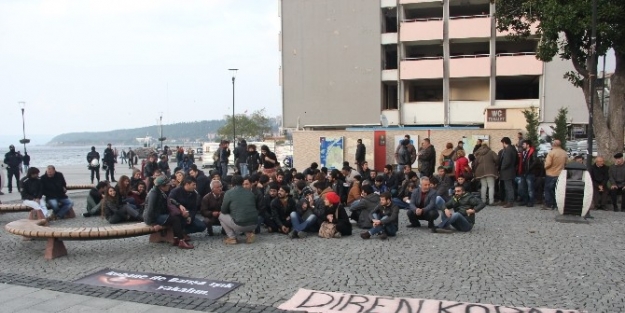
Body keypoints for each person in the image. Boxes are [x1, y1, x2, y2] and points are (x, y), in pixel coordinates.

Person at [143, 175, 194, 249]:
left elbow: (169, 200)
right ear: (162, 186)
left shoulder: (162, 191)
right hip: (152, 217)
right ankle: (181, 241)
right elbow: (150, 209)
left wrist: (179, 205)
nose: (169, 186)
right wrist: (154, 224)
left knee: (179, 217)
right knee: (175, 219)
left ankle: (177, 239)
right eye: (167, 184)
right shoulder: (154, 193)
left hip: (159, 214)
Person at [219, 174, 259, 245]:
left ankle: (232, 238)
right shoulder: (250, 193)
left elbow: (223, 210)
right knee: (245, 214)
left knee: (221, 216)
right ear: (242, 182)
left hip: (240, 224)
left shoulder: (229, 193)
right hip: (255, 223)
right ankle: (249, 234)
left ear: (231, 184)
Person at [542, 140, 568, 210]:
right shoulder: (564, 153)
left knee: (548, 190)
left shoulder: (551, 153)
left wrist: (545, 166)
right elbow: (566, 163)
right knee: (558, 190)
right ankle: (558, 205)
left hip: (551, 174)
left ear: (553, 145)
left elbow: (548, 164)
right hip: (560, 174)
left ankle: (549, 205)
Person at [517, 140, 540, 207]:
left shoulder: (533, 152)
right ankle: (525, 200)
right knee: (522, 188)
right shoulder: (524, 152)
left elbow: (535, 161)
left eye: (524, 144)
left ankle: (531, 201)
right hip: (523, 172)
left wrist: (529, 168)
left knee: (530, 188)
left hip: (530, 173)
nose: (523, 145)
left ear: (528, 145)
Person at [498, 137, 518, 208]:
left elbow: (507, 161)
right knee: (509, 187)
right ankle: (508, 200)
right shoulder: (512, 149)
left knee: (508, 187)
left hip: (507, 172)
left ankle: (510, 201)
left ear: (504, 142)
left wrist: (501, 168)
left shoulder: (508, 150)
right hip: (510, 171)